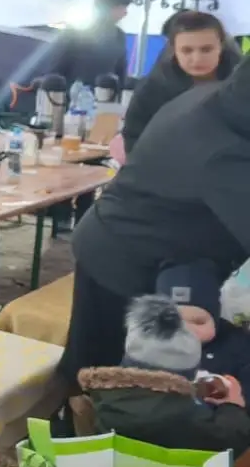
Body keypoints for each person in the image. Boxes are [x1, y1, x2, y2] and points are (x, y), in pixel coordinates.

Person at [62, 56, 250, 383]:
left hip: (165, 251)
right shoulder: (222, 151)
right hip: (123, 256)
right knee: (106, 373)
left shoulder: (219, 98)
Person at [68, 296, 250, 455]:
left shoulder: (104, 396)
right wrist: (233, 405)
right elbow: (231, 439)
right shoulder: (186, 416)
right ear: (188, 374)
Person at [122, 10, 237, 149]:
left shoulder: (242, 86)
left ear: (221, 47)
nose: (197, 59)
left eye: (206, 50)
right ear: (174, 50)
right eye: (187, 50)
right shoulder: (152, 89)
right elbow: (134, 139)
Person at [43, 0, 132, 88]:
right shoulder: (74, 32)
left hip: (106, 95)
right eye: (121, 7)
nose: (125, 13)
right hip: (73, 94)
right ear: (108, 7)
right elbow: (56, 69)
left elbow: (121, 71)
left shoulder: (119, 36)